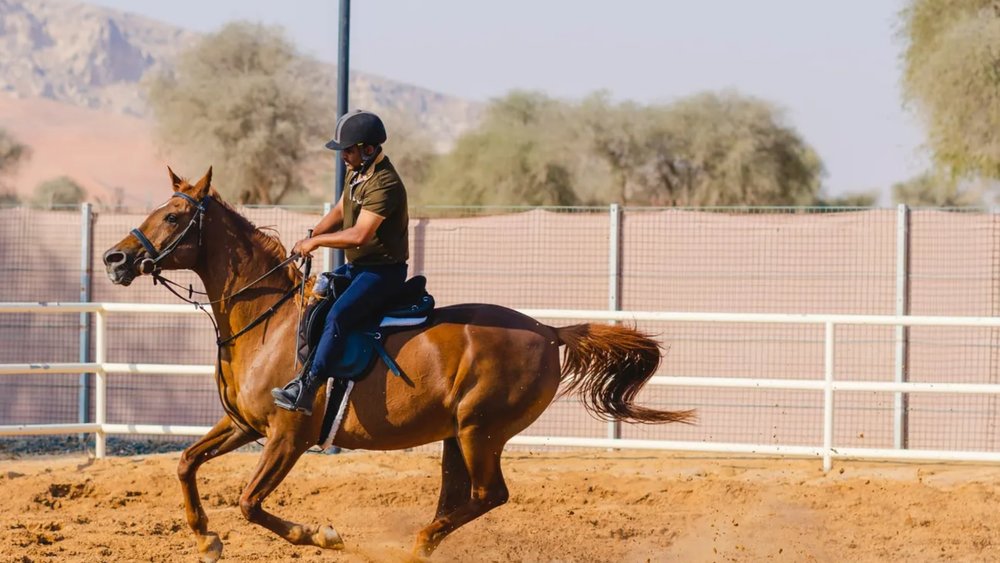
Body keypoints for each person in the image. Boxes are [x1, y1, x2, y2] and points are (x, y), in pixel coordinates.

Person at [272, 110, 409, 415]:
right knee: (317, 301)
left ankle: (308, 389)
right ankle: (303, 373)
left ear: (368, 149)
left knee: (338, 316)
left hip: (383, 272)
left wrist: (317, 242)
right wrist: (313, 234)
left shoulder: (385, 183)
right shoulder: (357, 172)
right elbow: (339, 211)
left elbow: (360, 234)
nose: (343, 156)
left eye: (348, 150)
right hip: (359, 268)